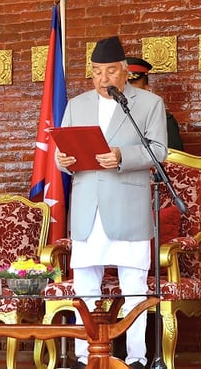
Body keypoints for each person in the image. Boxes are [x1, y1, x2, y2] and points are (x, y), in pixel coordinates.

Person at [56, 37, 167, 369]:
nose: (103, 79)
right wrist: (64, 159)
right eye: (96, 72)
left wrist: (122, 156)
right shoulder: (76, 105)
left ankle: (135, 358)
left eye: (110, 72)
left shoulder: (148, 104)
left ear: (124, 73)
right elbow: (64, 155)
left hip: (127, 207)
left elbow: (159, 151)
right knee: (85, 283)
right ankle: (84, 356)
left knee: (133, 285)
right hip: (88, 208)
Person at [126, 56, 184, 151]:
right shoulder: (107, 117)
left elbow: (173, 160)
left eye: (135, 91)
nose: (129, 96)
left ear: (147, 89)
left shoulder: (164, 119)